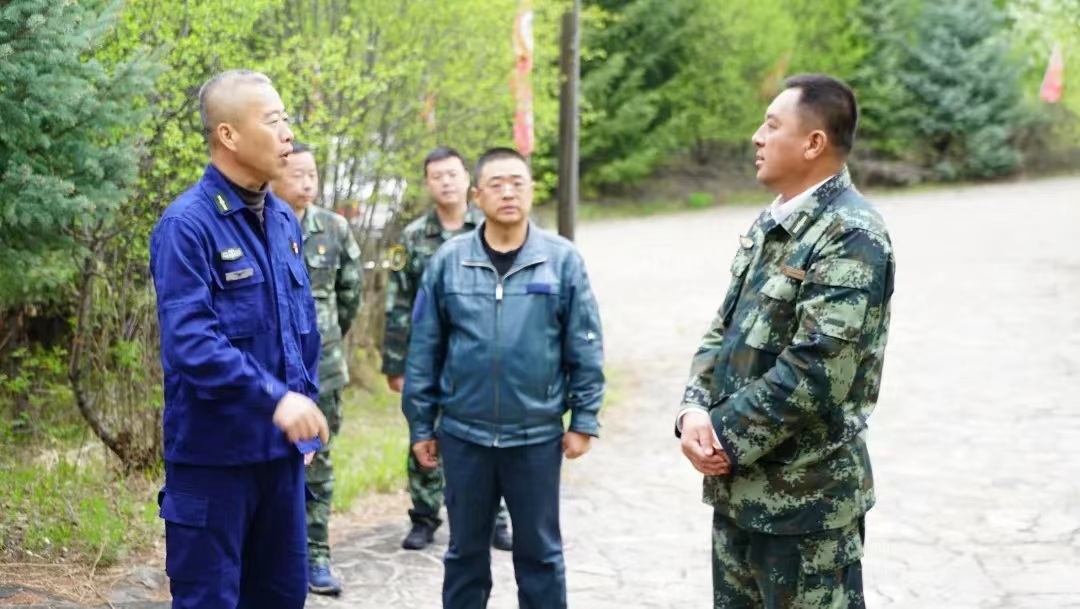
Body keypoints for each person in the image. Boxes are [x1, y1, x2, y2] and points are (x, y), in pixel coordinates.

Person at [675, 73, 896, 608]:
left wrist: (721, 435)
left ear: (813, 143)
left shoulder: (851, 233)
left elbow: (818, 369)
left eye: (772, 126)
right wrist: (693, 411)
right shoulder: (774, 222)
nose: (757, 137)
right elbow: (724, 329)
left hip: (807, 509)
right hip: (740, 494)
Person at [149, 69, 329, 609]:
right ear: (228, 134)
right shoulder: (187, 225)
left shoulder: (283, 219)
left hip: (280, 461)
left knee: (281, 597)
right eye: (272, 121)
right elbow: (191, 343)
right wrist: (278, 400)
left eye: (286, 119)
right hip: (215, 463)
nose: (287, 134)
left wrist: (304, 409)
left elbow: (299, 328)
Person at [403, 146, 605, 609]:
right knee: (464, 555)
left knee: (541, 555)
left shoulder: (561, 260)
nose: (508, 192)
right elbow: (425, 349)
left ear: (532, 191)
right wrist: (421, 424)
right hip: (464, 435)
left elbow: (585, 344)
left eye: (518, 182)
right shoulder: (449, 261)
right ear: (477, 196)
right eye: (496, 184)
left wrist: (584, 419)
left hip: (535, 436)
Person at [382, 146, 512, 552]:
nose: (446, 182)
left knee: (492, 431)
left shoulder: (490, 227)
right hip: (430, 354)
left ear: (468, 180)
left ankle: (496, 518)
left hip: (483, 353)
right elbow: (398, 303)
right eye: (437, 176)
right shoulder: (412, 237)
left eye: (452, 174)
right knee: (424, 430)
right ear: (427, 183)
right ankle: (424, 516)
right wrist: (396, 363)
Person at [269, 140, 363, 596]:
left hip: (323, 368)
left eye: (313, 175)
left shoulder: (335, 228)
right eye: (297, 174)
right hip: (271, 376)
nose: (307, 183)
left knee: (319, 462)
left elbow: (350, 295)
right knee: (270, 467)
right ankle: (276, 557)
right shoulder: (260, 223)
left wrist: (325, 339)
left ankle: (317, 554)